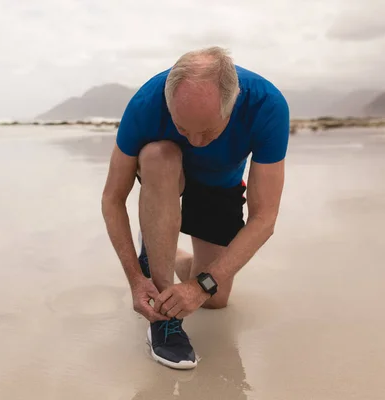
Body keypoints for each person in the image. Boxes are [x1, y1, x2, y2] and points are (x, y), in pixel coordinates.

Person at [100, 47, 290, 370]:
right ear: (169, 102)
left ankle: (160, 248)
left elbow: (265, 217)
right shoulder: (146, 103)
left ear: (232, 107)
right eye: (183, 129)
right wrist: (135, 278)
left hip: (221, 186)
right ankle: (163, 320)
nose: (197, 143)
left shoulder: (266, 105)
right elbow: (112, 199)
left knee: (215, 299)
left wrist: (199, 287)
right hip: (166, 178)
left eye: (208, 131)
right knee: (160, 155)